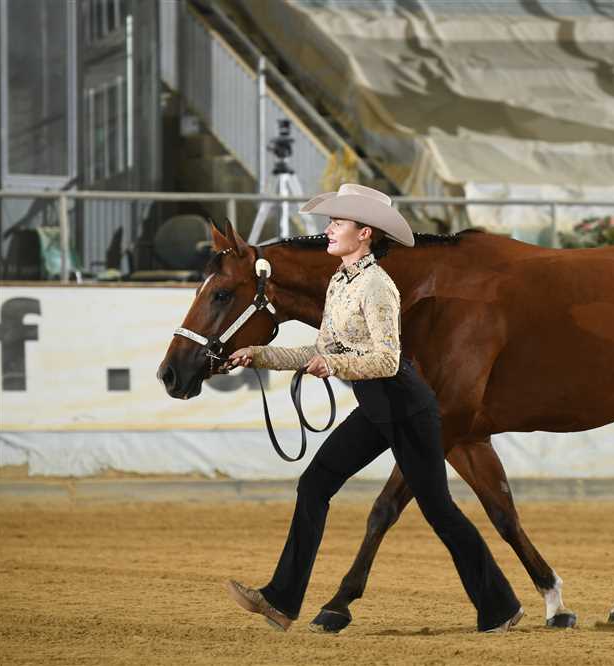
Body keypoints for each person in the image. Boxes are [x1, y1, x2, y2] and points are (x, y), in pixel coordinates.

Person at [223, 184, 522, 634]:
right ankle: (281, 600)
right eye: (331, 222)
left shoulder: (378, 286)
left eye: (338, 223)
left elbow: (386, 359)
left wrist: (334, 365)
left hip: (407, 409)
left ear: (364, 233)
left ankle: (500, 607)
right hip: (376, 407)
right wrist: (258, 355)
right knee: (315, 485)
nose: (328, 230)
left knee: (438, 509)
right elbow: (321, 349)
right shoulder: (340, 282)